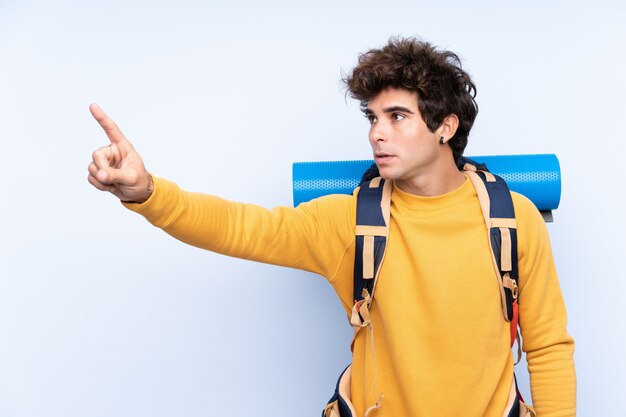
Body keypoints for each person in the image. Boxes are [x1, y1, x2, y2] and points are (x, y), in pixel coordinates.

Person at [87, 37, 576, 416]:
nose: (376, 132)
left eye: (397, 116)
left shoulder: (513, 219)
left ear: (445, 127)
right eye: (373, 117)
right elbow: (242, 227)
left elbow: (548, 345)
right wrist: (146, 192)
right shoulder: (351, 221)